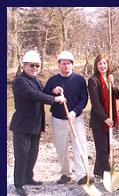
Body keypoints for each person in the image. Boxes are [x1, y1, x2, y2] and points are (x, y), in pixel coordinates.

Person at [10, 50, 66, 196]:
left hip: (35, 123)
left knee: (32, 153)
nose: (35, 68)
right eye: (32, 65)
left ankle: (28, 177)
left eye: (37, 66)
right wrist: (55, 100)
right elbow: (34, 95)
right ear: (24, 66)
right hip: (22, 125)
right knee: (21, 154)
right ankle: (19, 184)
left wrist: (54, 91)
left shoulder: (36, 80)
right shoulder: (20, 81)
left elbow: (43, 92)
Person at [43, 50, 91, 185]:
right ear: (59, 65)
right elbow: (44, 96)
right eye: (63, 63)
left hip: (76, 118)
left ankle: (81, 175)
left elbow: (84, 99)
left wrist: (74, 112)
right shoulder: (53, 80)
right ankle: (66, 174)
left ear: (72, 65)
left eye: (69, 63)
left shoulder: (79, 79)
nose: (66, 66)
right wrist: (53, 92)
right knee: (61, 147)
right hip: (58, 119)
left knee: (79, 145)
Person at [87, 54, 119, 178]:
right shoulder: (93, 80)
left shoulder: (109, 79)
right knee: (102, 148)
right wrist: (105, 118)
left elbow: (117, 96)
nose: (102, 66)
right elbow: (95, 103)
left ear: (108, 65)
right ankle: (107, 174)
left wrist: (113, 84)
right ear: (96, 65)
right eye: (100, 63)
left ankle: (98, 172)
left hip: (109, 118)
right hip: (99, 120)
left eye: (105, 63)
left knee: (106, 145)